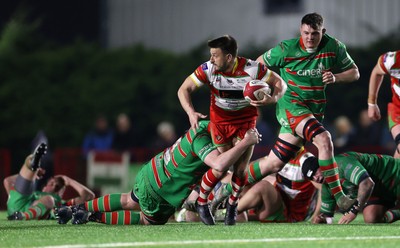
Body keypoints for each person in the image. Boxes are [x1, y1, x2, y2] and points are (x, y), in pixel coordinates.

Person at [55, 120, 261, 225]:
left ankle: (79, 208)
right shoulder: (203, 140)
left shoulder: (205, 127)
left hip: (151, 171)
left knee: (128, 199)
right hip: (162, 190)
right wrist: (245, 142)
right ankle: (94, 216)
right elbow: (218, 164)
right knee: (146, 220)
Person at [253, 12, 360, 210]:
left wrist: (336, 77)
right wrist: (273, 85)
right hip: (291, 107)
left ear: (323, 32)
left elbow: (355, 73)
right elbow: (258, 63)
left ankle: (228, 189)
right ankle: (340, 198)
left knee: (273, 164)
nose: (310, 37)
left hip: (313, 110)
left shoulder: (334, 47)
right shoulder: (287, 48)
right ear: (300, 31)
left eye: (315, 33)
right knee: (324, 139)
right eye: (306, 33)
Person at [177, 35, 286, 225]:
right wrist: (191, 112)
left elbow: (280, 84)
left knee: (241, 168)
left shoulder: (252, 69)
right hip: (220, 123)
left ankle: (232, 205)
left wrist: (274, 98)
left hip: (245, 123)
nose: (211, 59)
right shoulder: (208, 69)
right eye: (211, 55)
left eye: (215, 55)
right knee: (220, 168)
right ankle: (202, 201)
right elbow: (183, 89)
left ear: (229, 57)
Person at [181, 149, 323, 223]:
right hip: (276, 203)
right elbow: (258, 167)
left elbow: (323, 187)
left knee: (262, 186)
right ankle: (205, 204)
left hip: (290, 213)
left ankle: (224, 212)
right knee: (242, 178)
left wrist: (317, 217)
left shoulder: (306, 161)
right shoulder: (281, 153)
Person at [5, 143, 95, 221]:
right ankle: (33, 164)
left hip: (22, 213)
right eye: (52, 183)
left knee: (49, 200)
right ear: (44, 187)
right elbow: (8, 181)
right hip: (21, 203)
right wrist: (34, 174)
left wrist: (69, 180)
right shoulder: (34, 194)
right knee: (30, 163)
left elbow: (89, 196)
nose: (54, 186)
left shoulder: (62, 204)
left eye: (58, 187)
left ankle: (22, 216)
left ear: (62, 192)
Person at [304, 151, 400, 224]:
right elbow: (326, 215)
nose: (316, 178)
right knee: (371, 218)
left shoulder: (341, 163)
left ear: (322, 164)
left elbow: (367, 183)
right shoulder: (327, 186)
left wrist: (353, 211)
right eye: (312, 177)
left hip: (393, 174)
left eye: (315, 172)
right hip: (380, 190)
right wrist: (321, 219)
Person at [367, 50, 400, 157]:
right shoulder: (393, 59)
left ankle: (393, 173)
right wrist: (372, 103)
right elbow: (377, 72)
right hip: (397, 113)